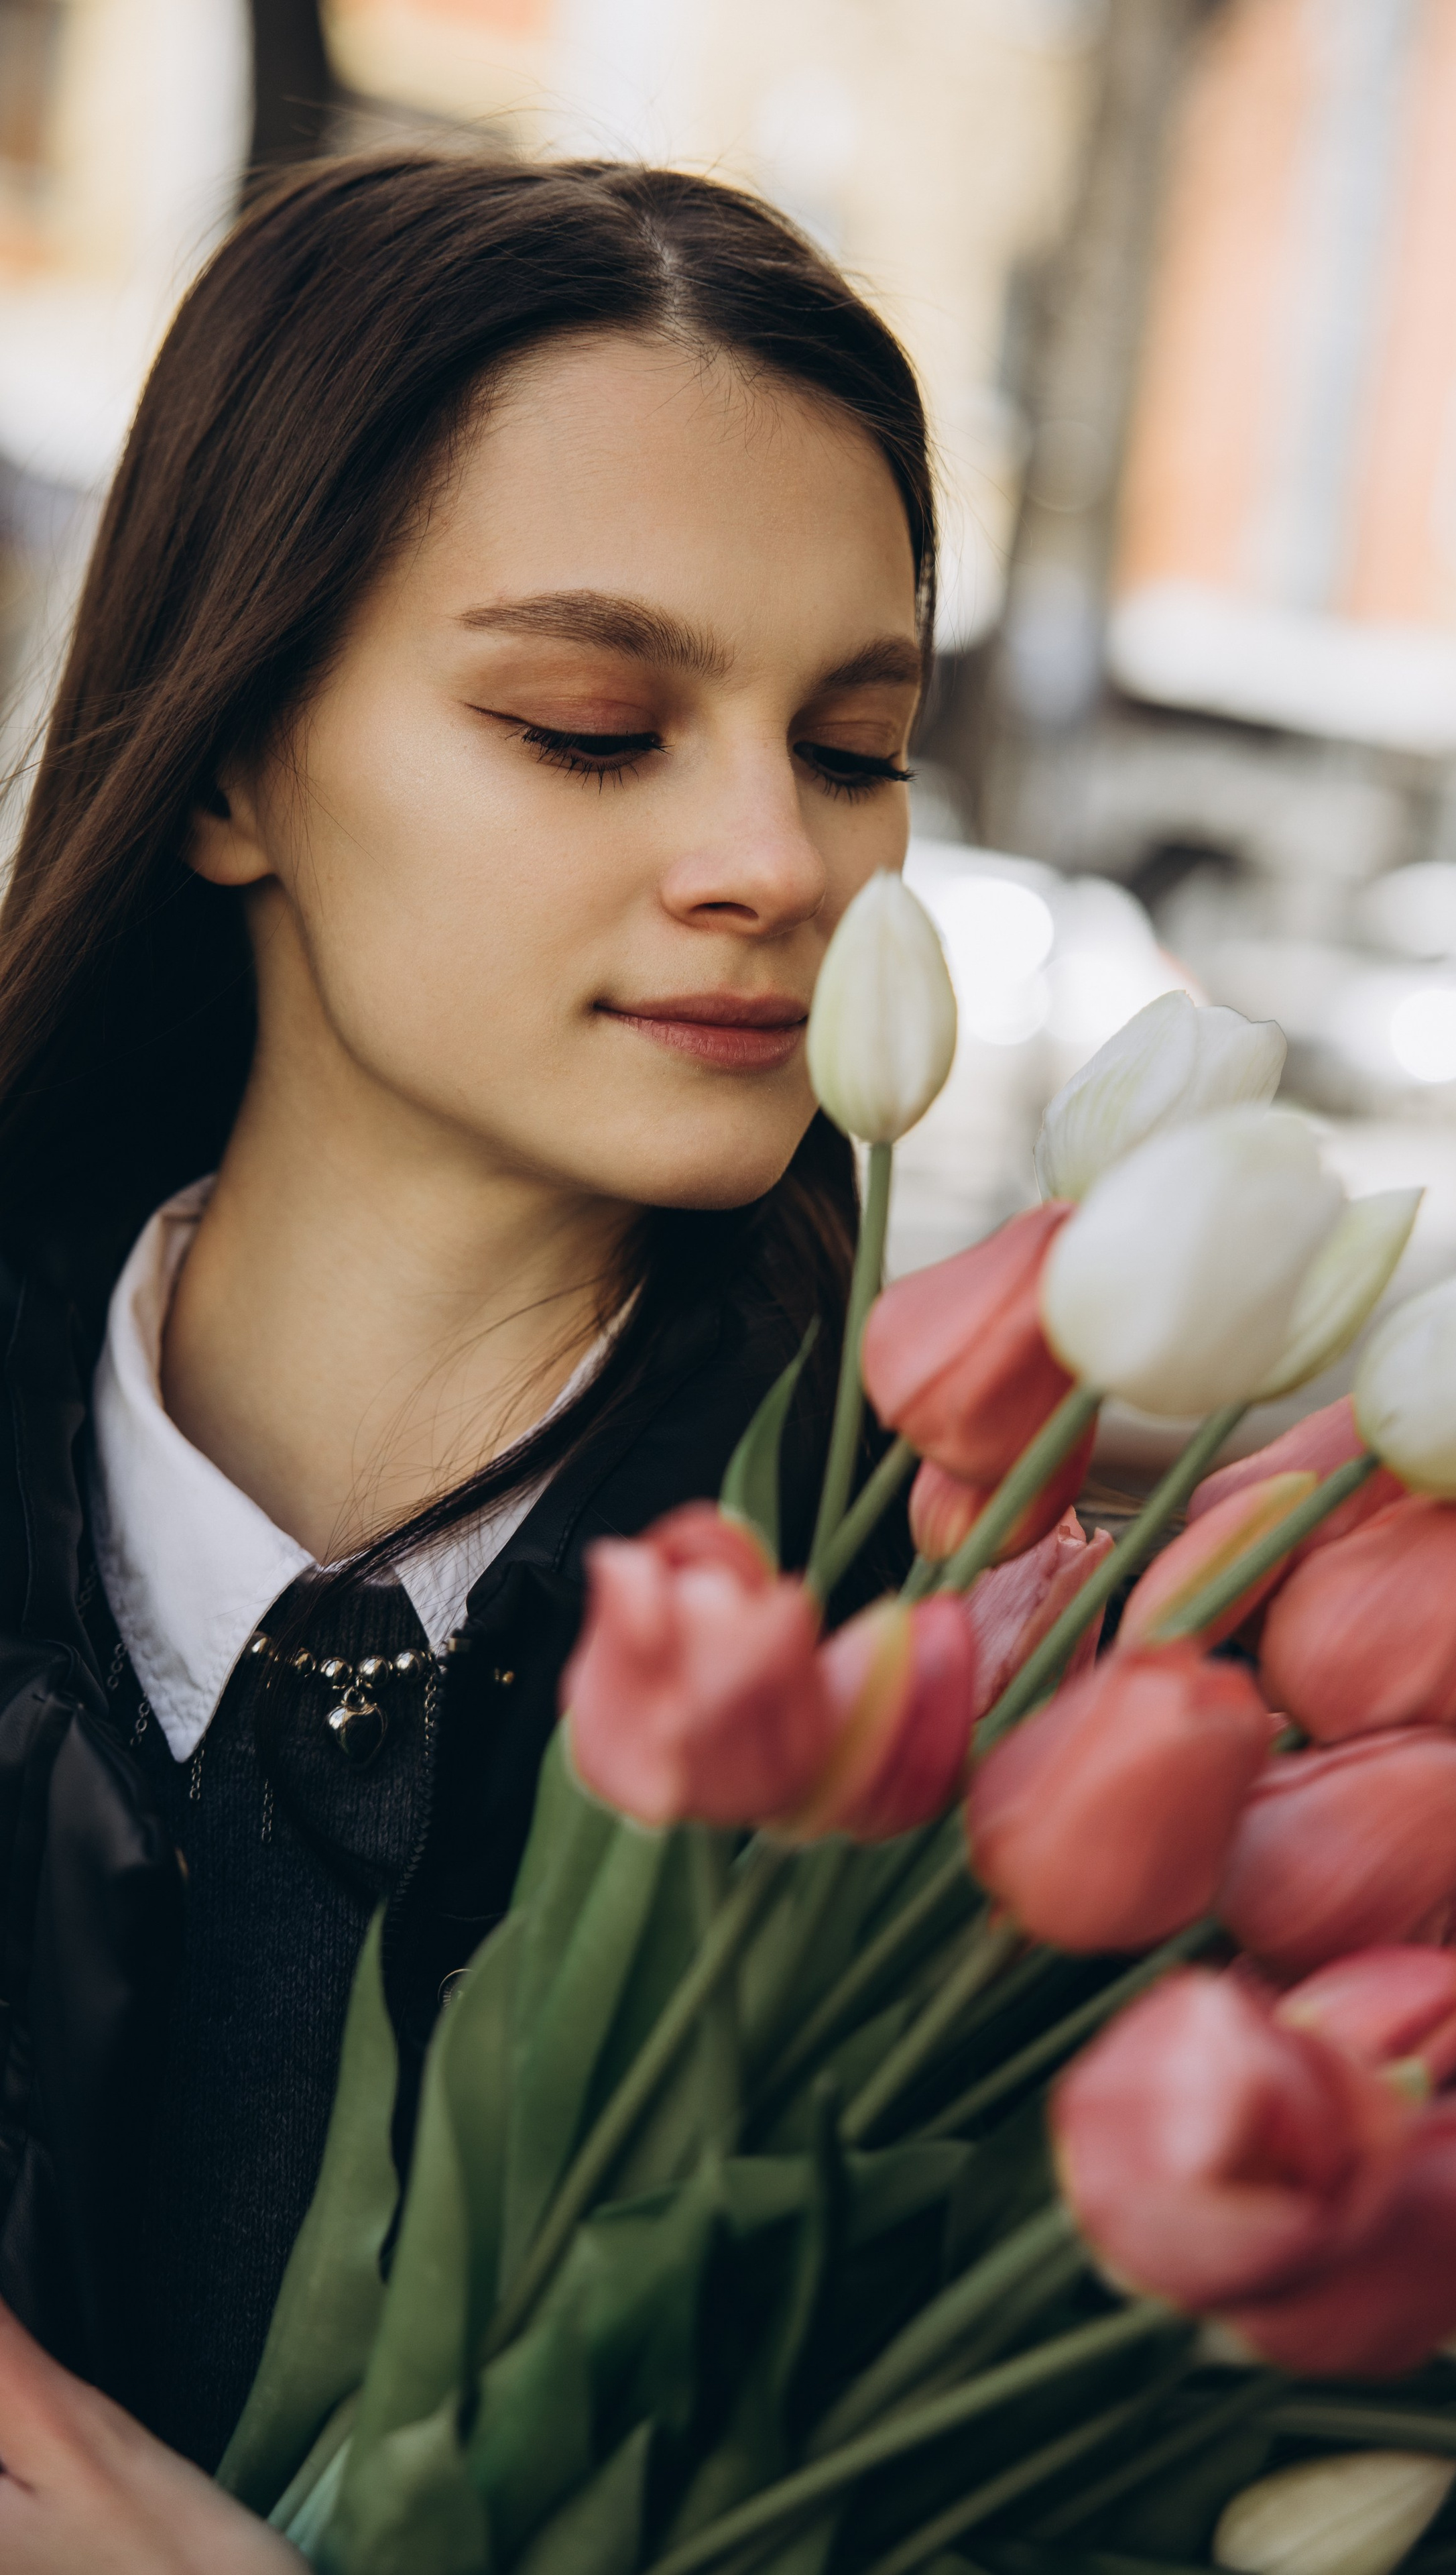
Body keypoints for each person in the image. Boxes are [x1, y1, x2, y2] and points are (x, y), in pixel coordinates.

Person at [0, 151, 930, 2566]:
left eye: (852, 745)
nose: (779, 859)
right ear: (223, 761)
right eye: (595, 726)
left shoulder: (950, 1693)